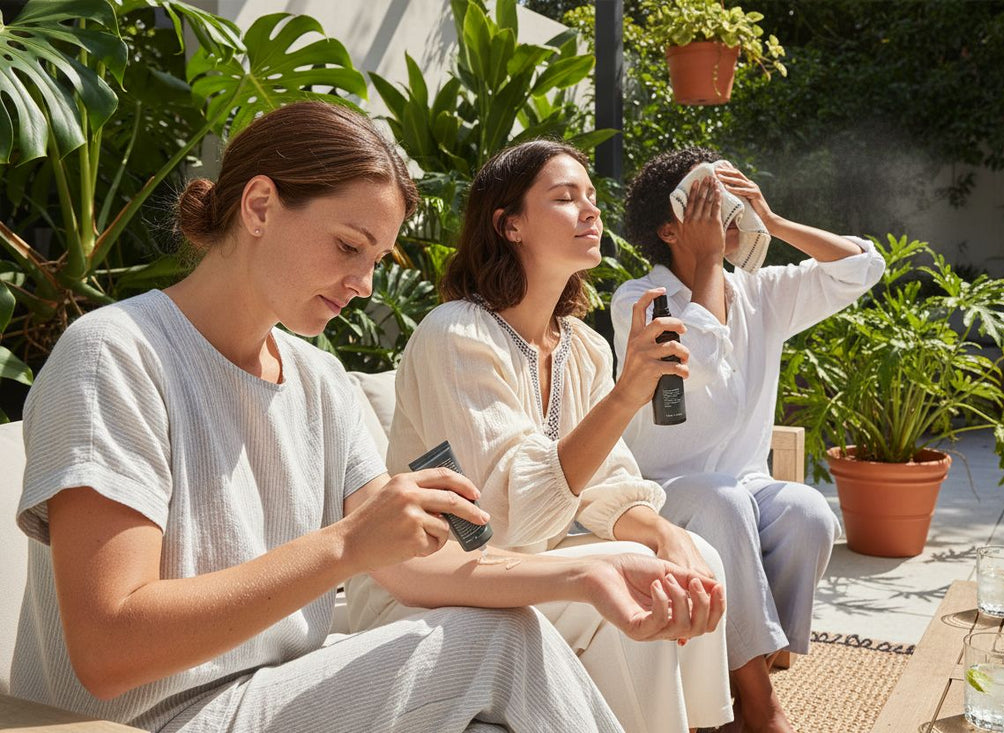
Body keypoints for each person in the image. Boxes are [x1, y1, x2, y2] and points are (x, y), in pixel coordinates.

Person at [11, 102, 725, 733]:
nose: (364, 283)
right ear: (258, 207)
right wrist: (347, 544)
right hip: (134, 718)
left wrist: (584, 572)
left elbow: (430, 568)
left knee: (504, 654)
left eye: (378, 258)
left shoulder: (320, 381)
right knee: (498, 646)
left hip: (271, 693)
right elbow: (107, 651)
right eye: (349, 246)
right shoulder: (115, 356)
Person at [347, 139, 735, 733]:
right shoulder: (457, 335)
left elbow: (608, 487)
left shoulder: (584, 347)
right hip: (438, 581)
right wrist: (627, 395)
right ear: (510, 225)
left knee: (689, 556)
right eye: (564, 197)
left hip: (529, 564)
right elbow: (500, 517)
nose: (590, 211)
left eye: (592, 197)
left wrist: (665, 533)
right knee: (638, 572)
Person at [610, 147, 886, 732]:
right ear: (669, 227)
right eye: (709, 202)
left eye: (729, 199)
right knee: (722, 501)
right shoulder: (638, 299)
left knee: (809, 512)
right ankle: (759, 708)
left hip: (745, 485)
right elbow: (701, 352)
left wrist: (777, 222)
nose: (728, 213)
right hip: (660, 491)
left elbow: (864, 266)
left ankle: (749, 674)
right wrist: (709, 259)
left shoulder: (759, 292)